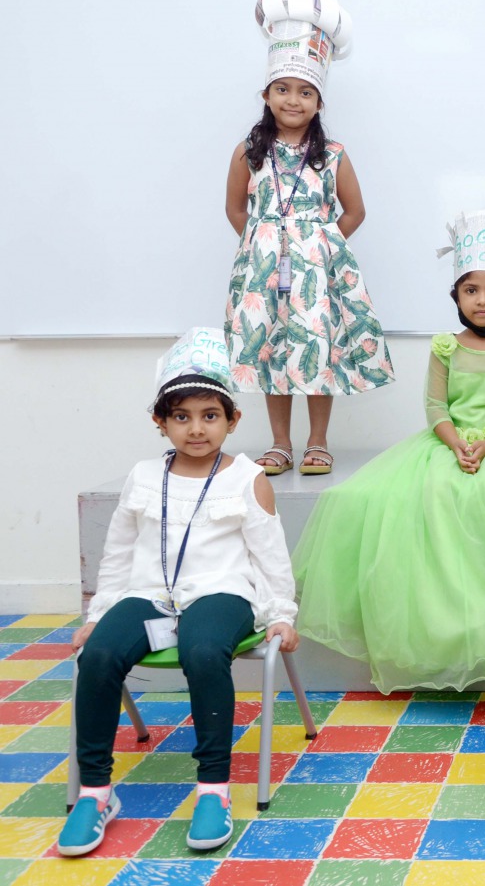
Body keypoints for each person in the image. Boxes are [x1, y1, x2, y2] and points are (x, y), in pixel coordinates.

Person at [59, 329, 299, 857]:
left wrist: (281, 613)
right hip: (150, 595)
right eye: (181, 416)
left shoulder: (249, 478)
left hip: (223, 593)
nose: (196, 428)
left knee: (202, 649)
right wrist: (99, 614)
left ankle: (213, 788)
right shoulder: (143, 476)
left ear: (232, 419)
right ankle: (96, 793)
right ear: (160, 422)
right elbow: (118, 553)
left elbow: (270, 557)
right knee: (97, 655)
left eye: (210, 415)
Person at [292, 210, 485, 691]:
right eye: (471, 290)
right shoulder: (444, 347)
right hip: (447, 440)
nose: (482, 300)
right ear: (456, 296)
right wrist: (457, 444)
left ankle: (482, 628)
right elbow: (435, 406)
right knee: (411, 496)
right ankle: (431, 630)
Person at [225, 0, 393, 477]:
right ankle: (280, 443)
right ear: (266, 95)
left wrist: (319, 244)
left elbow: (355, 211)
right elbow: (235, 209)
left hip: (317, 273)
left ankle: (318, 441)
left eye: (305, 92)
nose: (293, 99)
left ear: (319, 102)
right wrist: (262, 244)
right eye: (283, 89)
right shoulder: (247, 152)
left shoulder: (333, 155)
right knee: (272, 349)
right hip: (262, 272)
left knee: (317, 348)